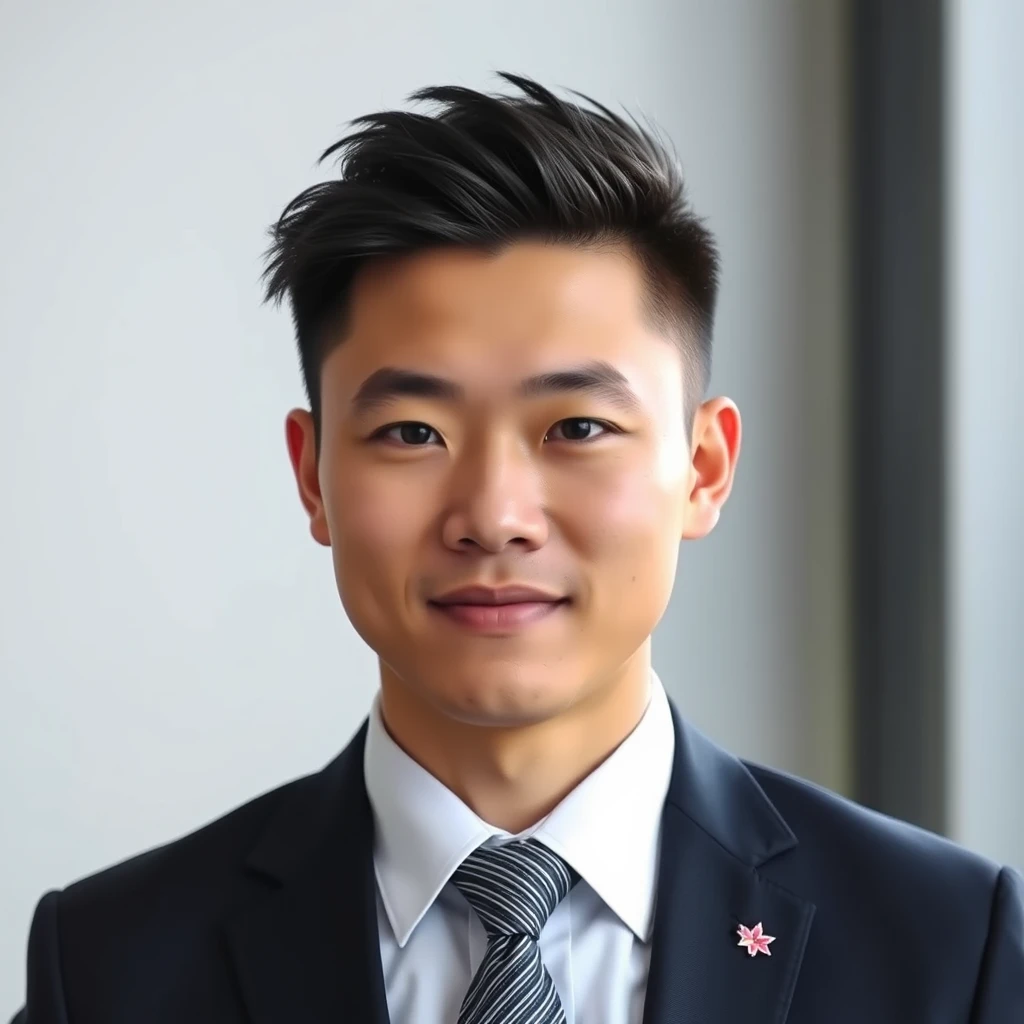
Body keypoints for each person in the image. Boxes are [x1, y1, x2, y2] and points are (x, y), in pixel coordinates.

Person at [10, 72, 1023, 1024]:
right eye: (413, 432)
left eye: (576, 428)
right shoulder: (109, 967)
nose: (492, 515)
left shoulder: (946, 947)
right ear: (313, 474)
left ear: (704, 467)